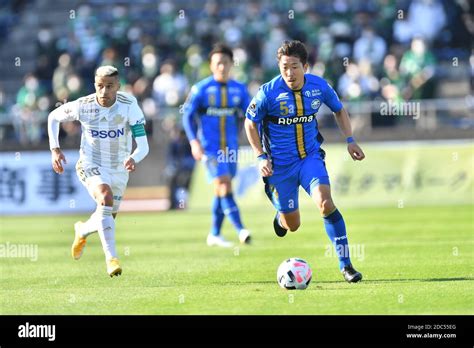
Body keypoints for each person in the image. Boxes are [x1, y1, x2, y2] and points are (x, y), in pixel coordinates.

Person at [244, 40, 365, 283]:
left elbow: (339, 110)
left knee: (325, 202)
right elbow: (250, 123)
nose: (289, 73)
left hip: (310, 158)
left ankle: (346, 265)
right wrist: (260, 156)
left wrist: (350, 139)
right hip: (279, 166)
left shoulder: (319, 87)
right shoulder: (268, 92)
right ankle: (281, 218)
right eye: (285, 67)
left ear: (305, 67)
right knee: (293, 224)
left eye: (294, 67)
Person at [47, 65, 149, 277]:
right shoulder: (83, 105)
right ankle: (112, 259)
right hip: (90, 164)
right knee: (105, 197)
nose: (104, 92)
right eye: (100, 86)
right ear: (95, 85)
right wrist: (55, 149)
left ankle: (82, 230)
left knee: (107, 216)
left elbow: (143, 145)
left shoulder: (129, 105)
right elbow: (53, 117)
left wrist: (133, 157)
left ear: (118, 86)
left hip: (119, 168)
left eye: (109, 86)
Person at [183, 43, 251, 247]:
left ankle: (214, 234)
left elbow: (251, 115)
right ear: (211, 66)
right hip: (210, 148)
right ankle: (241, 230)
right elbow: (187, 116)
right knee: (224, 183)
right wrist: (194, 142)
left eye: (225, 63)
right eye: (218, 63)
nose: (222, 67)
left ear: (232, 64)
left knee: (220, 189)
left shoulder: (239, 89)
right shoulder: (201, 89)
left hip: (231, 149)